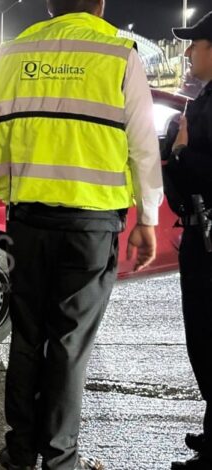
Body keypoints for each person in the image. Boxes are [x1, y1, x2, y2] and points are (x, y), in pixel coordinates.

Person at [0, 0, 163, 469]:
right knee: (69, 343)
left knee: (28, 336)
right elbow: (143, 147)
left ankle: (19, 453)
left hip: (27, 221)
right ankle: (59, 459)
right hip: (91, 226)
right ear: (99, 4)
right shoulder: (118, 54)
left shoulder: (11, 53)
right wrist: (149, 219)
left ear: (50, 5)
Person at [165, 12, 212, 470]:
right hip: (202, 234)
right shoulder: (205, 99)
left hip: (210, 241)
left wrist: (178, 151)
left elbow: (203, 171)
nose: (187, 52)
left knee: (206, 337)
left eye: (194, 44)